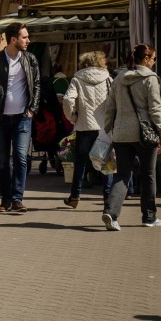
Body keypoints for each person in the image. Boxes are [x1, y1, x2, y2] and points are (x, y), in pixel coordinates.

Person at [101, 43, 161, 231]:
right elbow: (155, 110)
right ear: (145, 59)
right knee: (148, 174)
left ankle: (111, 213)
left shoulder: (118, 78)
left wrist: (107, 131)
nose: (154, 63)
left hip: (121, 133)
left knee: (122, 174)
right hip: (145, 134)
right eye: (153, 59)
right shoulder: (150, 79)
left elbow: (110, 107)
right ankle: (149, 216)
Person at [0, 22, 41, 213]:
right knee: (3, 161)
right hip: (1, 118)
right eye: (24, 37)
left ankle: (17, 199)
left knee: (21, 158)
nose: (28, 40)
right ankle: (5, 200)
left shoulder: (30, 59)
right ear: (13, 39)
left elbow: (37, 84)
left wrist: (32, 109)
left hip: (23, 117)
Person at [62, 51, 113, 209]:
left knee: (80, 163)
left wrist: (73, 117)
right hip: (104, 128)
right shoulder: (108, 79)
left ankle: (75, 196)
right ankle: (108, 199)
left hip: (85, 126)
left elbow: (67, 99)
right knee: (106, 163)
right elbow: (114, 101)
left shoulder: (77, 79)